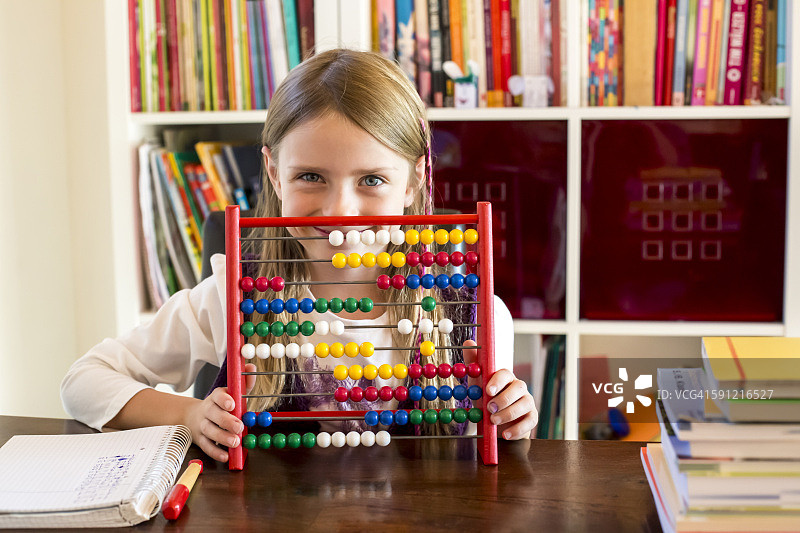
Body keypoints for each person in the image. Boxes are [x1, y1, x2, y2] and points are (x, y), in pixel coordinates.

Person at [61, 49, 538, 463]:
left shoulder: (472, 316)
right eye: (311, 176)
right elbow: (83, 380)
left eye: (372, 180)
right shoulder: (232, 296)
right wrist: (188, 415)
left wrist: (514, 421)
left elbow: (491, 457)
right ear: (273, 172)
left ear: (413, 181)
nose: (339, 211)